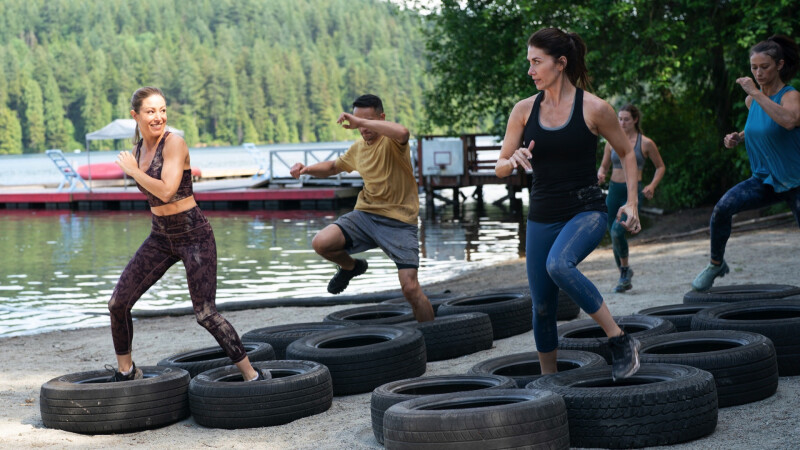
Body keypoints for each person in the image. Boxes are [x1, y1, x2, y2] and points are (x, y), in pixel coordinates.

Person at [495, 27, 643, 381]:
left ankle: (620, 339)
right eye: (529, 62)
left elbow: (627, 152)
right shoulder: (523, 110)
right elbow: (500, 167)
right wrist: (512, 160)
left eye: (537, 62)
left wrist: (632, 203)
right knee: (542, 307)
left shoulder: (595, 108)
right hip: (541, 216)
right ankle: (550, 382)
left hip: (586, 210)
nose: (530, 70)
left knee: (559, 265)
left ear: (560, 63)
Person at [109, 86, 266, 382]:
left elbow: (168, 191)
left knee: (205, 314)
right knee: (118, 303)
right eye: (150, 111)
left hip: (194, 234)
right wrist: (135, 167)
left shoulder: (174, 143)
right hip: (160, 236)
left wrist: (134, 172)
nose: (158, 117)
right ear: (135, 116)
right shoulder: (137, 151)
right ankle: (126, 372)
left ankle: (252, 376)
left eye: (163, 110)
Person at [289, 94, 434, 322]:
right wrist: (306, 169)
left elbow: (404, 132)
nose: (362, 128)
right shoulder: (358, 149)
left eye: (367, 121)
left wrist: (361, 121)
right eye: (357, 122)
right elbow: (333, 167)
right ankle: (351, 267)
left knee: (410, 288)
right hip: (365, 216)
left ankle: (432, 333)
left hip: (399, 222)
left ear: (381, 118)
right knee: (321, 243)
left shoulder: (392, 142)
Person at [692, 35, 800, 291]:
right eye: (754, 68)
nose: (758, 73)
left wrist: (754, 92)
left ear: (779, 65)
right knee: (722, 208)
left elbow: (788, 121)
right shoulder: (753, 101)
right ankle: (716, 264)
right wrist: (738, 137)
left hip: (796, 179)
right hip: (764, 180)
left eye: (764, 67)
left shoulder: (790, 95)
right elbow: (763, 126)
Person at [598, 104, 665, 292]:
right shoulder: (611, 141)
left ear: (635, 120)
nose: (622, 123)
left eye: (626, 119)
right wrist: (601, 173)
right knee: (613, 235)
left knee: (617, 232)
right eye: (619, 119)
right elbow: (604, 166)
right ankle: (624, 275)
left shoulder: (646, 143)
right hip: (613, 192)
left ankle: (625, 270)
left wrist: (652, 185)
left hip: (632, 193)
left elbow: (660, 167)